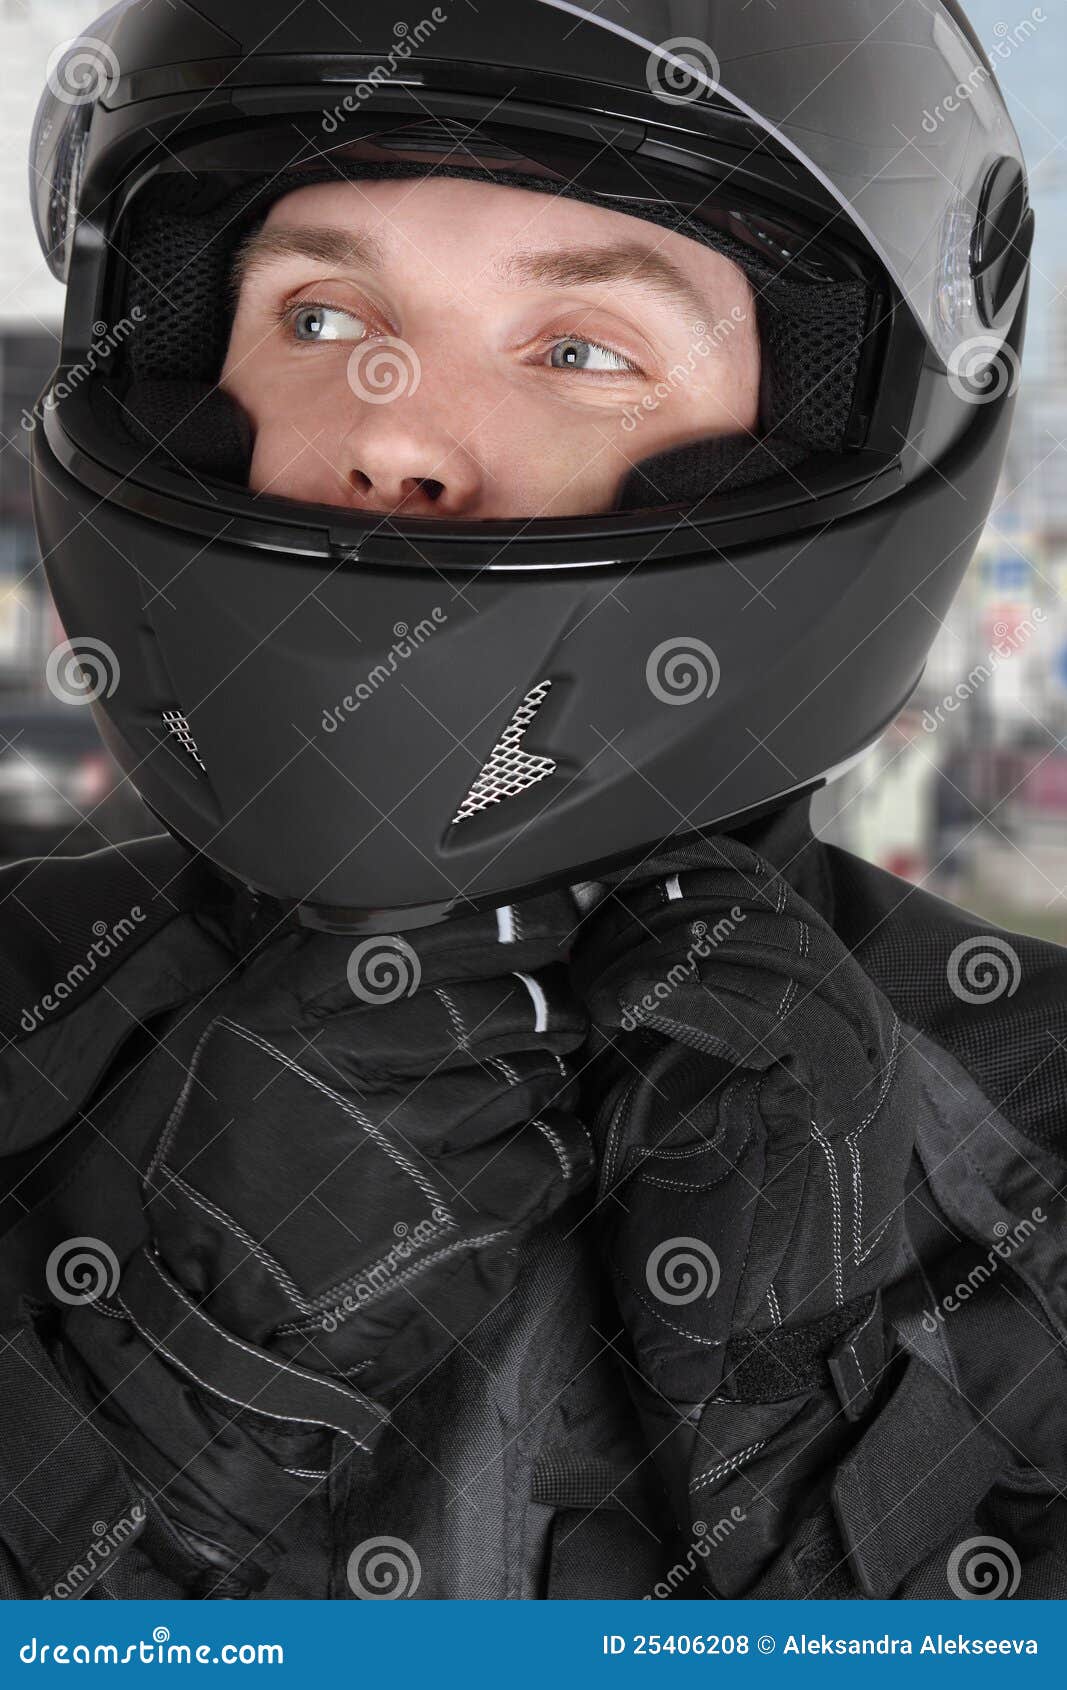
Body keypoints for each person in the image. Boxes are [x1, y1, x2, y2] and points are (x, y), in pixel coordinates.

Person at [3, 0, 1063, 1601]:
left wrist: (822, 1427)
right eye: (315, 314)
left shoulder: (1035, 1104)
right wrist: (157, 1407)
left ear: (813, 437)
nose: (393, 434)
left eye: (578, 352)